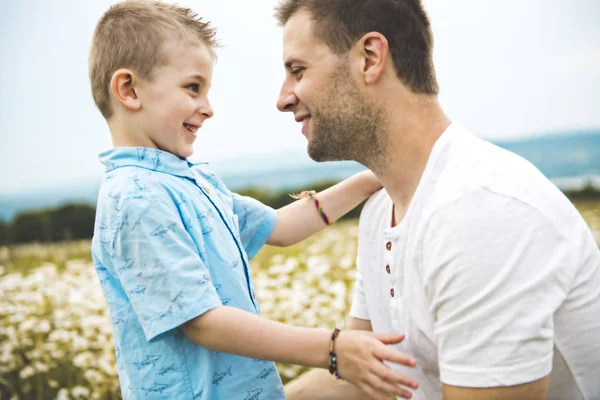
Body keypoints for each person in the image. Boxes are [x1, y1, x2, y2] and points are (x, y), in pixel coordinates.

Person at [88, 1, 419, 399]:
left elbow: (280, 227)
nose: (208, 109)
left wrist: (368, 181)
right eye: (193, 87)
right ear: (129, 90)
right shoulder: (134, 199)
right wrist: (331, 348)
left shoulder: (192, 180)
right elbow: (202, 322)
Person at [274, 1, 600, 399]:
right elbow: (361, 380)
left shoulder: (480, 211)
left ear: (370, 58)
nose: (284, 98)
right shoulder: (381, 211)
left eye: (298, 70)